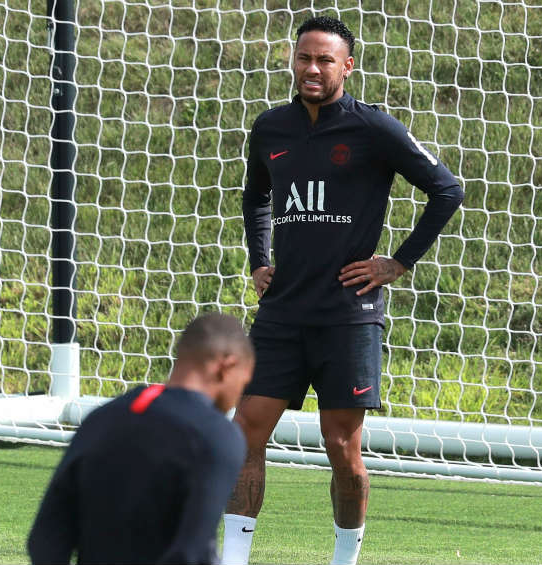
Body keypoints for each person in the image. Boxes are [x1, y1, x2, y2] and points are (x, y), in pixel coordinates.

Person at [221, 15, 464, 565]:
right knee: (244, 434)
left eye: (325, 60)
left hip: (348, 315)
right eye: (304, 57)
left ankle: (344, 558)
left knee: (341, 447)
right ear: (293, 58)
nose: (312, 69)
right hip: (282, 313)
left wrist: (397, 263)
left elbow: (447, 190)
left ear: (346, 67)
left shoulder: (374, 129)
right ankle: (232, 559)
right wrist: (261, 260)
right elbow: (255, 197)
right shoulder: (270, 129)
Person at [27, 313, 255, 565]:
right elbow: (189, 554)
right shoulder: (217, 435)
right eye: (243, 382)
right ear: (226, 366)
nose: (239, 395)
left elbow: (44, 539)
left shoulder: (101, 418)